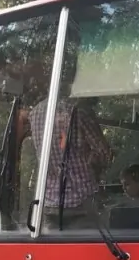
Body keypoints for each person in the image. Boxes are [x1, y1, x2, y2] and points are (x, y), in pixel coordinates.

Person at [20, 95, 114, 230]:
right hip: (82, 202)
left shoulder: (35, 114)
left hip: (49, 203)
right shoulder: (80, 112)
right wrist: (90, 157)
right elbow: (105, 155)